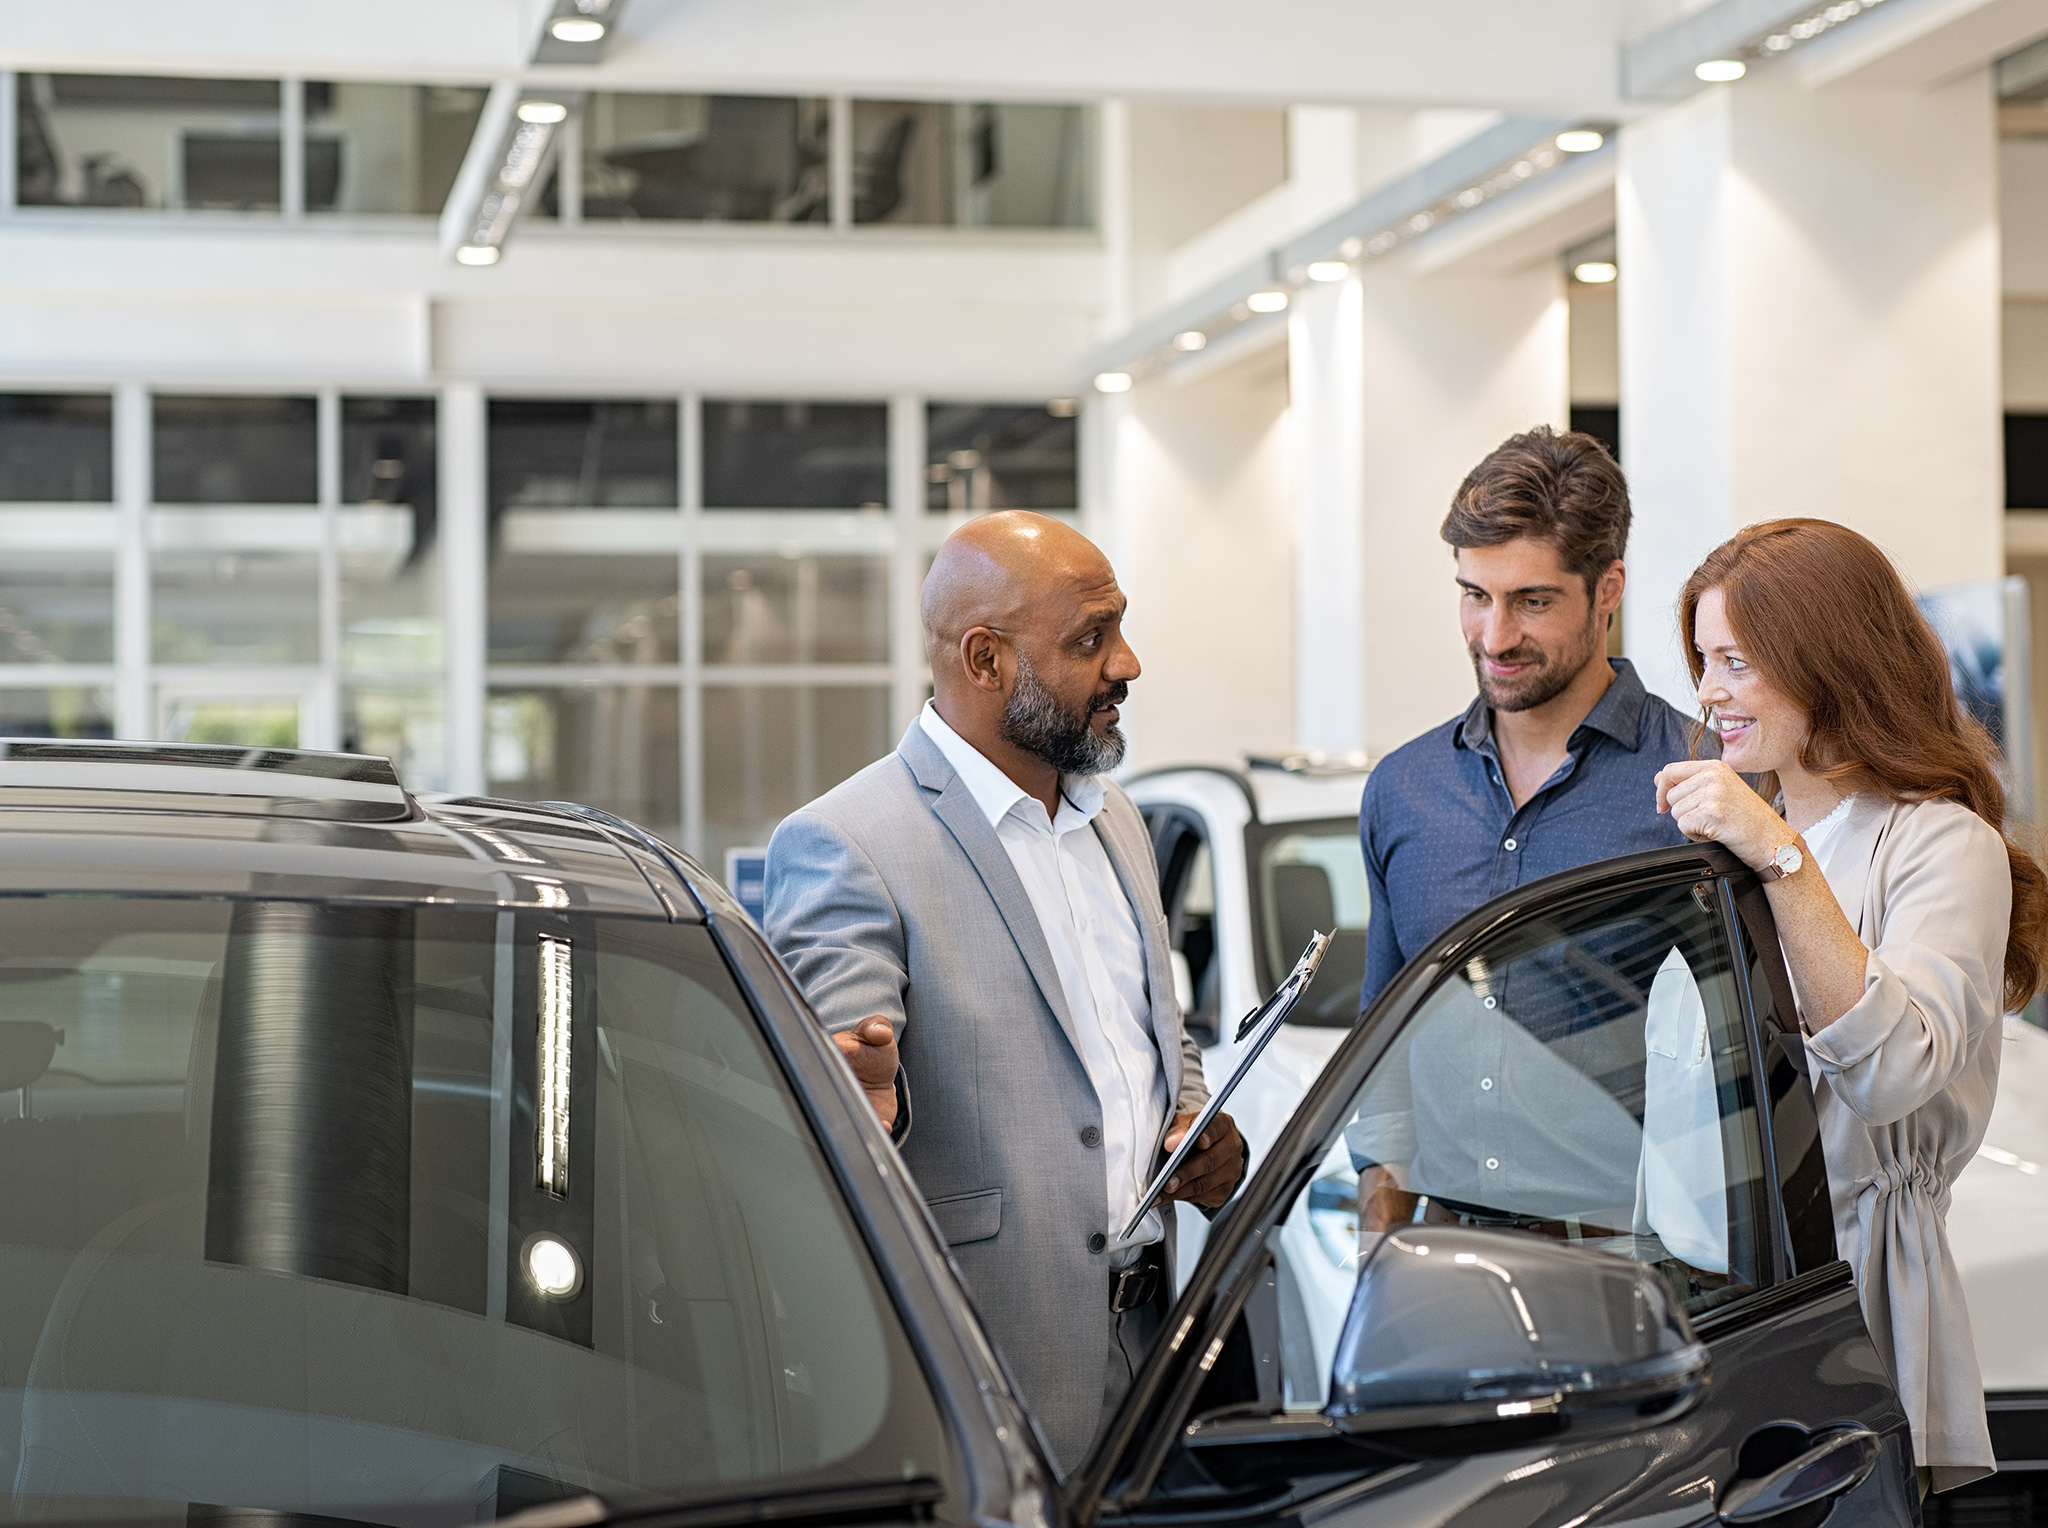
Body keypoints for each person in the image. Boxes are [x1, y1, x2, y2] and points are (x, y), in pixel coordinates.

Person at [764, 510, 1246, 1471]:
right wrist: (859, 1097)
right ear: (985, 660)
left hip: (1152, 1345)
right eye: (1090, 640)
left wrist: (1197, 1124)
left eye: (1119, 628)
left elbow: (1152, 1030)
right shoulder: (848, 843)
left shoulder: (1115, 821)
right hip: (984, 1370)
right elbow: (842, 1105)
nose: (1128, 664)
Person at [1655, 518, 2048, 1495]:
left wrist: (1776, 853)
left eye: (1736, 662)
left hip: (1843, 1316)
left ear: (1824, 661)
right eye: (1702, 661)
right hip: (1709, 1313)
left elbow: (1888, 1069)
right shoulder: (1735, 848)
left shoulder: (1938, 845)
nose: (1707, 694)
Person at [1352, 426, 1702, 1231]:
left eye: (1532, 601)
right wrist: (1383, 1237)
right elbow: (1384, 1039)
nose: (1496, 636)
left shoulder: (1700, 782)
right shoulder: (1404, 790)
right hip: (1444, 1250)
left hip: (1632, 1257)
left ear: (1608, 588)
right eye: (1475, 595)